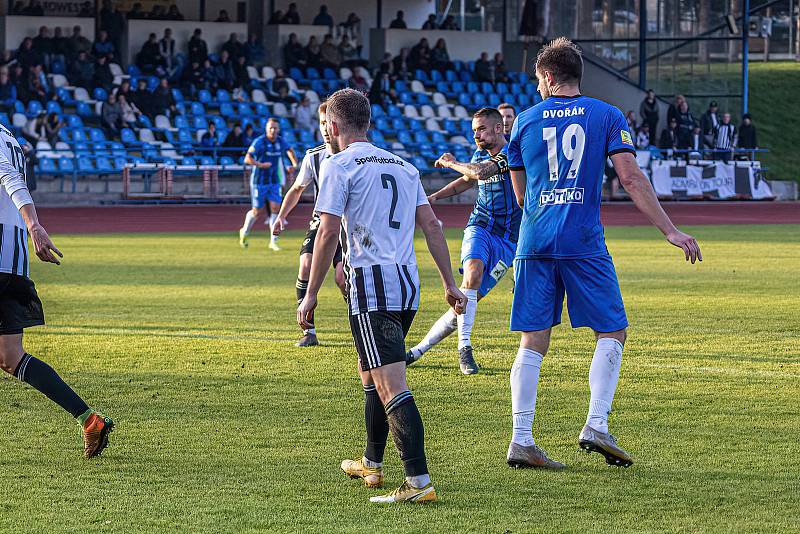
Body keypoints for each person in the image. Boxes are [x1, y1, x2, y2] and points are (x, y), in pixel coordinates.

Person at [505, 37, 701, 470]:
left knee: (533, 340)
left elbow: (521, 196)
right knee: (612, 330)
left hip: (534, 240)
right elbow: (629, 178)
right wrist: (669, 230)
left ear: (549, 77)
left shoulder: (524, 121)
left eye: (539, 79)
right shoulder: (608, 115)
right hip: (582, 242)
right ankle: (595, 422)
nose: (538, 86)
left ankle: (521, 439)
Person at [296, 88, 466, 504]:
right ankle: (372, 464)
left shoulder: (338, 165)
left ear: (333, 127)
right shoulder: (403, 165)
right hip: (407, 283)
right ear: (367, 123)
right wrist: (448, 282)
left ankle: (418, 482)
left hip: (372, 283)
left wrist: (311, 291)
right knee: (370, 370)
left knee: (390, 382)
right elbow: (434, 226)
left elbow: (328, 231)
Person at [0, 121, 114, 457]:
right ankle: (89, 419)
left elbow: (11, 178)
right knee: (9, 356)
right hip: (13, 257)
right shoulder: (9, 134)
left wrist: (34, 223)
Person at [407, 108, 522, 374]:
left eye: (481, 129)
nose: (476, 135)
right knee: (472, 274)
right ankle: (465, 350)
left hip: (508, 241)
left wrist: (449, 162)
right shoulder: (479, 155)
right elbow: (466, 181)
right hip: (480, 226)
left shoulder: (510, 153)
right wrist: (434, 197)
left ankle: (418, 350)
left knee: (468, 301)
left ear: (497, 129)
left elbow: (479, 173)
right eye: (474, 131)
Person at [272, 101, 347, 347]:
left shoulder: (352, 156)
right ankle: (308, 331)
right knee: (305, 265)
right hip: (322, 220)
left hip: (348, 223)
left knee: (342, 279)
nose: (326, 128)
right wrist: (281, 216)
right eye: (322, 123)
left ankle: (360, 325)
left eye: (330, 123)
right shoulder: (314, 157)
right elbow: (297, 188)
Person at [239, 118, 298, 251]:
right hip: (259, 181)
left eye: (275, 128)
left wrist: (294, 164)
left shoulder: (280, 141)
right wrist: (261, 165)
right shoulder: (259, 142)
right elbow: (247, 158)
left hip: (274, 181)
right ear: (266, 129)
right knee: (257, 211)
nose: (273, 130)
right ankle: (245, 231)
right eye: (271, 128)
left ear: (278, 129)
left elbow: (290, 150)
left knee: (275, 208)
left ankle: (273, 241)